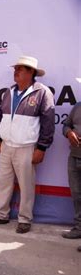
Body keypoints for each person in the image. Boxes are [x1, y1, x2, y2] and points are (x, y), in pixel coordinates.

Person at [0, 55, 55, 234]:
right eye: (15, 69)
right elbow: (1, 117)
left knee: (26, 184)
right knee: (3, 181)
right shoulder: (9, 91)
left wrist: (42, 147)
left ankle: (24, 218)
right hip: (7, 145)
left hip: (27, 146)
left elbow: (48, 122)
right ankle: (0, 214)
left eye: (20, 69)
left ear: (31, 72)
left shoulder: (42, 92)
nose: (15, 72)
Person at [61, 78, 81, 241]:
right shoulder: (78, 106)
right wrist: (69, 133)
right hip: (74, 157)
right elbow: (66, 125)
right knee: (77, 195)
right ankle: (79, 227)